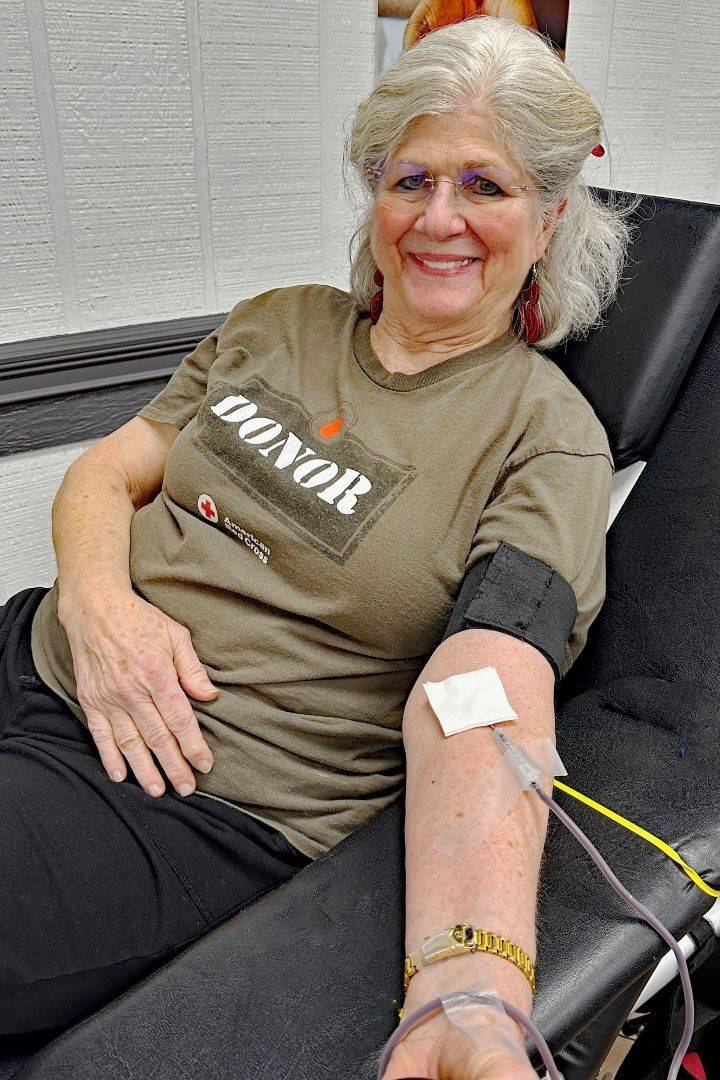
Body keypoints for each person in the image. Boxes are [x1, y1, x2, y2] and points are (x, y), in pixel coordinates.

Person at [0, 15, 640, 1079]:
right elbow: (108, 474)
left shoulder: (545, 437)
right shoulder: (279, 323)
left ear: (550, 218)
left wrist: (468, 986)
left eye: (485, 187)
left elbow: (487, 680)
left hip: (183, 793)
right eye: (410, 179)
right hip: (43, 649)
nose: (439, 219)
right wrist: (100, 608)